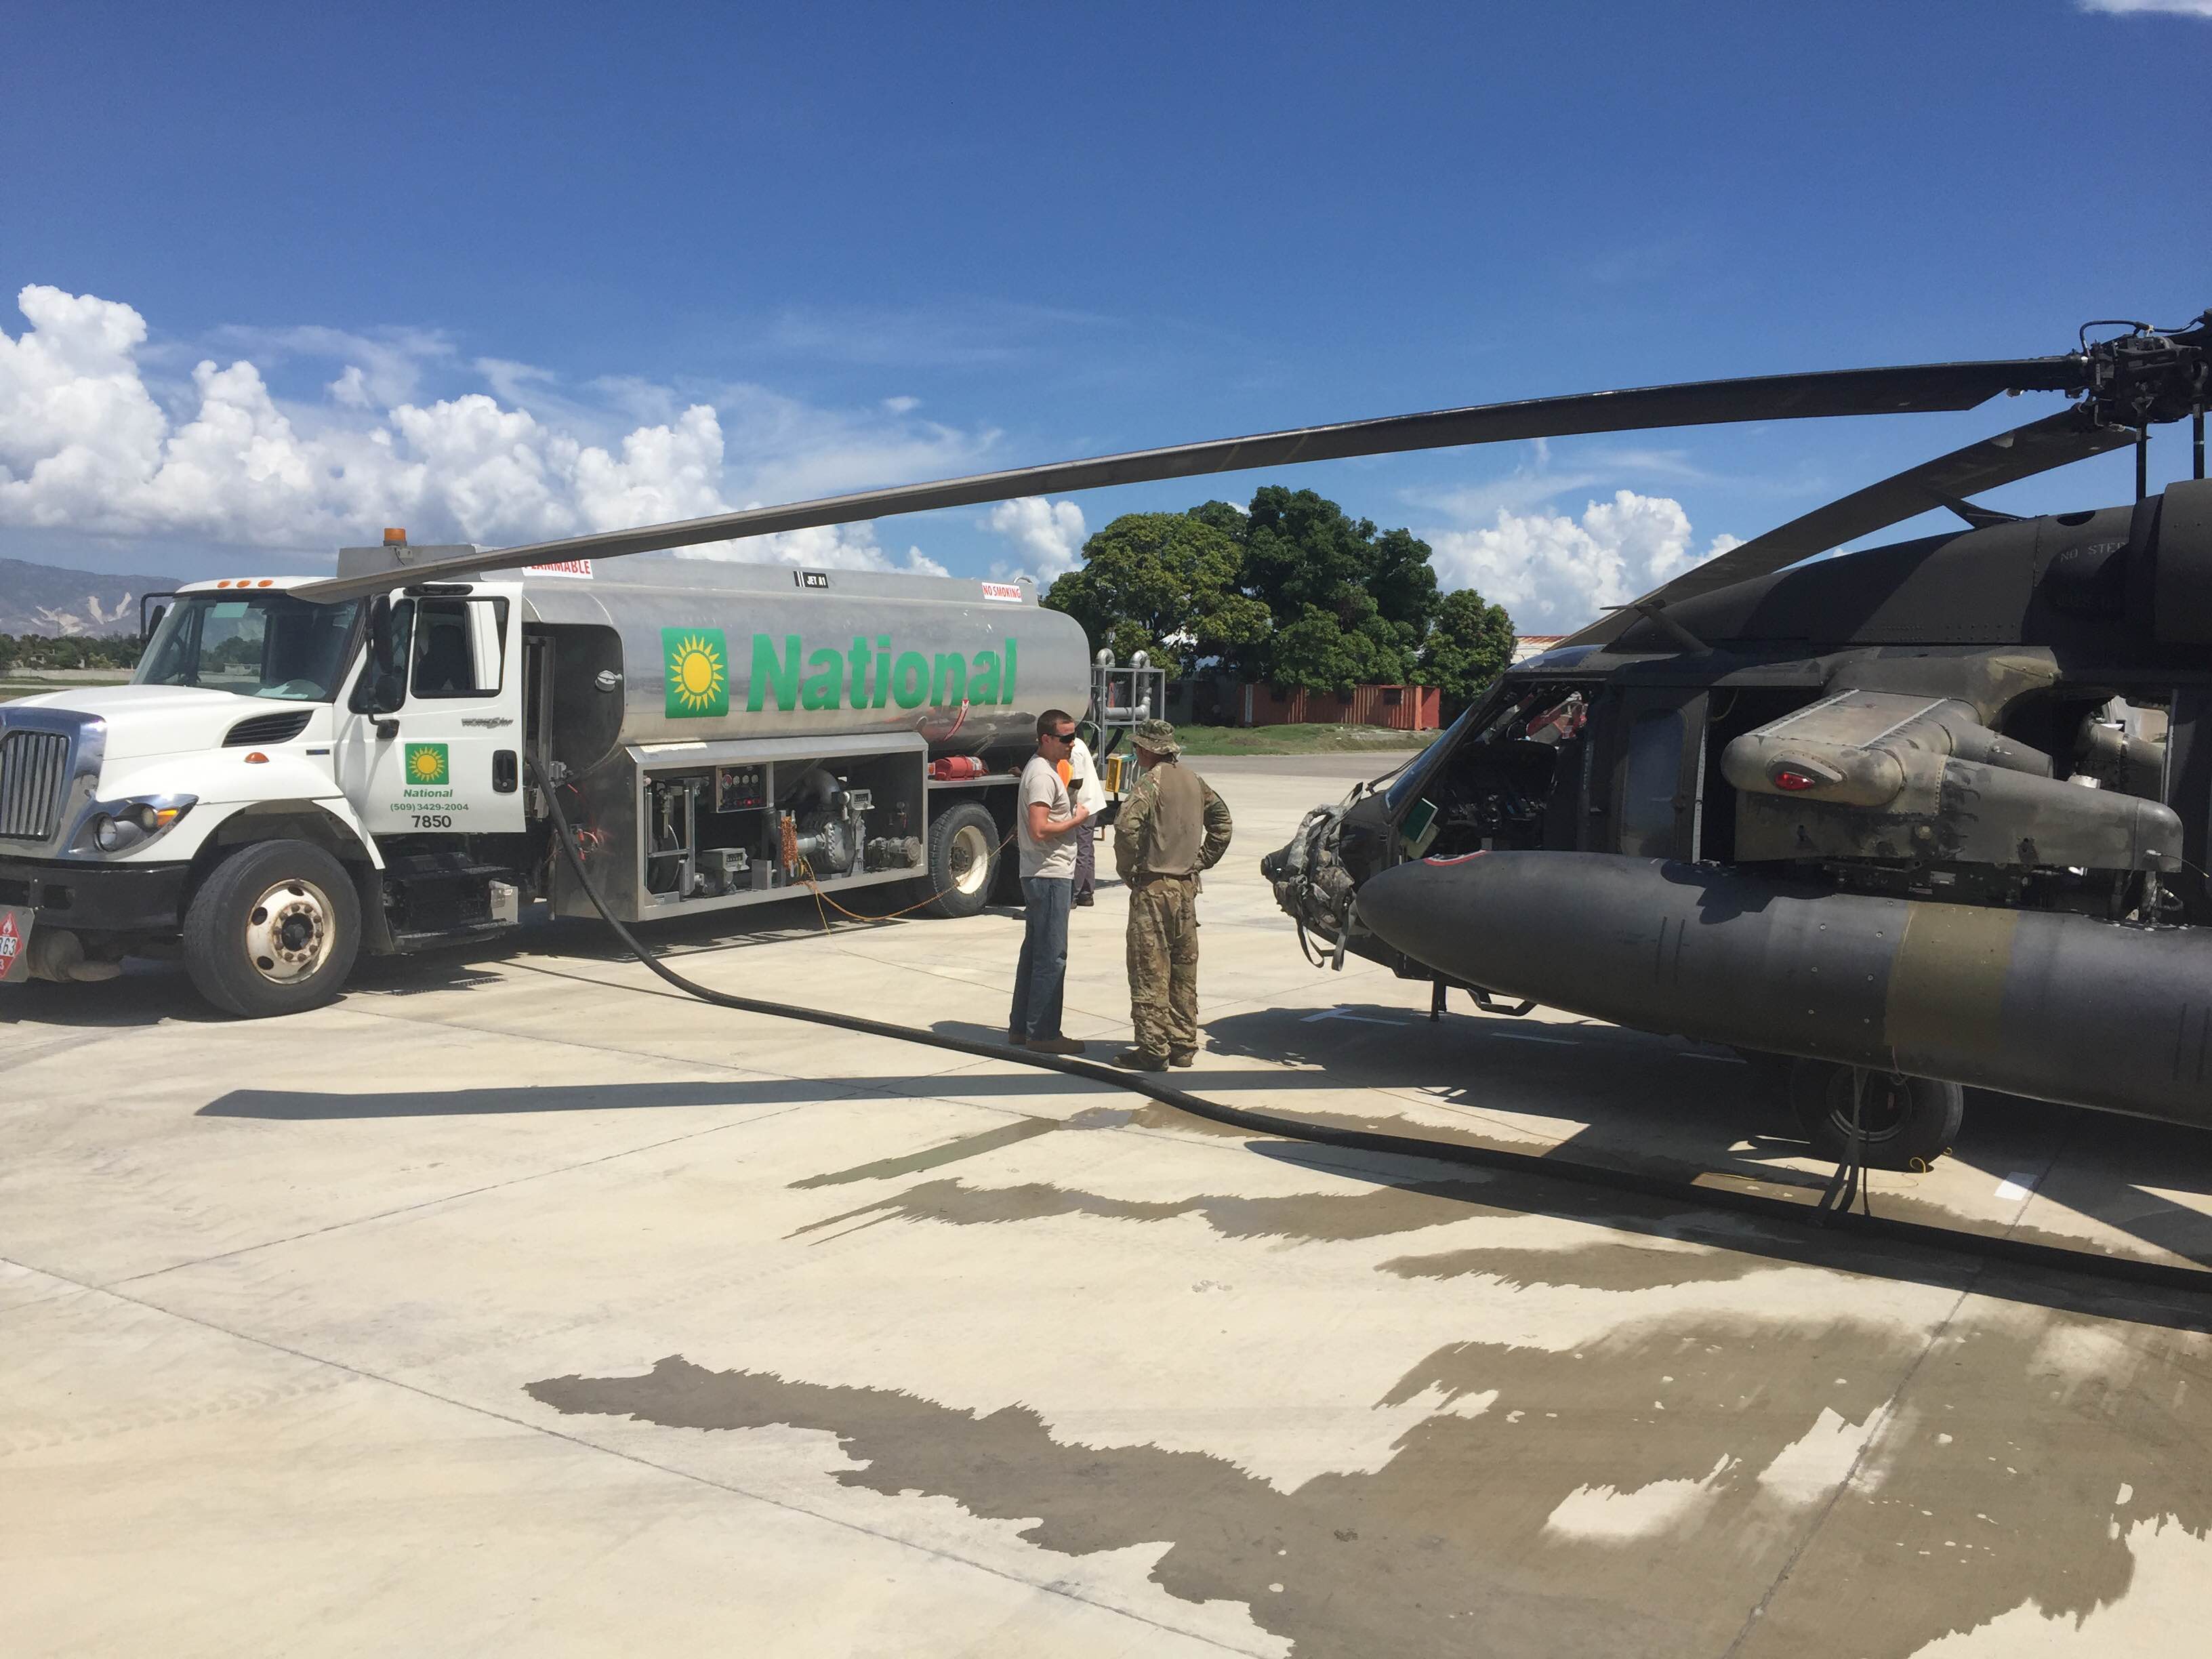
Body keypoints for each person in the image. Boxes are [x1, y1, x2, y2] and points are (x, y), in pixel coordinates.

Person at [1111, 719, 1233, 1069]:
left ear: (1148, 750)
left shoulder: (1150, 783)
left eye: (1138, 748)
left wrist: (1128, 868)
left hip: (1155, 889)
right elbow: (1222, 823)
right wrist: (1201, 861)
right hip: (1186, 890)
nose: (1136, 753)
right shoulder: (1195, 781)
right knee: (1183, 970)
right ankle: (1182, 1043)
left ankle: (1153, 1050)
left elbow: (1126, 826)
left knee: (1150, 969)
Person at [1008, 708, 1092, 1054]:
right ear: (1046, 739)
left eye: (1074, 736)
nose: (1073, 744)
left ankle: (1021, 1028)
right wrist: (1077, 819)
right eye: (1066, 738)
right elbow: (1039, 829)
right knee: (1051, 956)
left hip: (1043, 873)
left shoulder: (1044, 769)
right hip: (1049, 874)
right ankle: (1043, 1034)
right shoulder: (1042, 775)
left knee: (1035, 952)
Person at [1063, 729, 1107, 907]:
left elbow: (1076, 782)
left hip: (1084, 804)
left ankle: (1072, 895)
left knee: (1080, 849)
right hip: (1090, 802)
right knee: (1087, 849)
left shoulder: (1074, 751)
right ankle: (1086, 893)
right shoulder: (1079, 744)